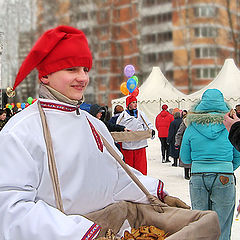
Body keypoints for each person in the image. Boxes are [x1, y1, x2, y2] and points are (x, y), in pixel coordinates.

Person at [0, 25, 196, 240]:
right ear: (45, 75)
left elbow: (115, 178)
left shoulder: (94, 125)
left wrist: (157, 193)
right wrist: (80, 234)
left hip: (109, 231)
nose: (83, 78)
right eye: (72, 69)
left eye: (85, 69)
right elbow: (11, 209)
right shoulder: (20, 132)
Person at [180, 89, 240, 240]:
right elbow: (238, 154)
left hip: (198, 177)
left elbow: (185, 158)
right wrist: (226, 168)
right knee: (223, 223)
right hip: (224, 177)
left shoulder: (191, 126)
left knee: (201, 223)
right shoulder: (230, 126)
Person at [116, 95, 155, 175]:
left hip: (140, 145)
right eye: (133, 102)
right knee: (129, 169)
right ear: (128, 104)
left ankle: (142, 183)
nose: (135, 104)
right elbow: (117, 127)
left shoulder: (141, 114)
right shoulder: (123, 115)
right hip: (128, 146)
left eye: (136, 102)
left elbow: (148, 124)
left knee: (140, 168)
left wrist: (151, 131)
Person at [174, 111, 191, 180]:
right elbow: (179, 133)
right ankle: (186, 174)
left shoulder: (195, 124)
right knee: (186, 157)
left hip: (193, 143)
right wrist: (177, 142)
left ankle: (191, 173)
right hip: (185, 143)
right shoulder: (184, 123)